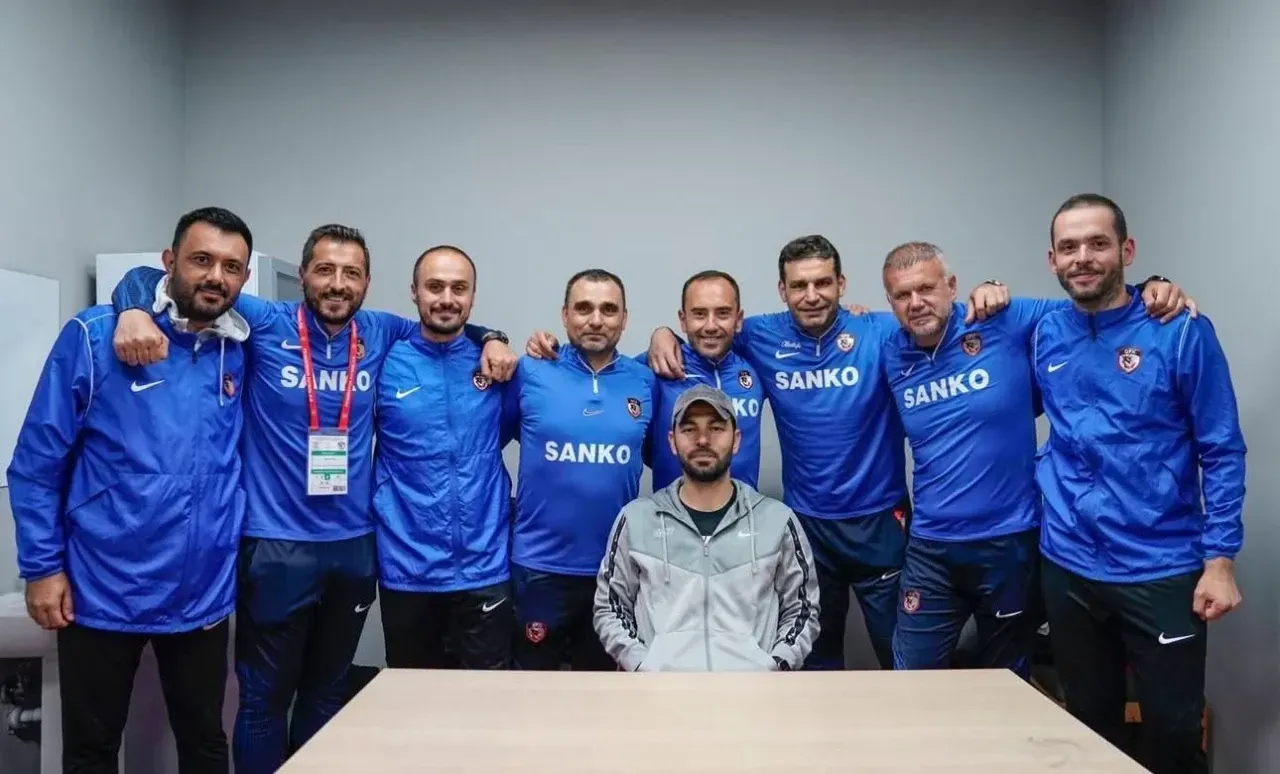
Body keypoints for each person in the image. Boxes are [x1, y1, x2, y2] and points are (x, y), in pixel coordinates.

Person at [106, 225, 516, 772]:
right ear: (302, 275)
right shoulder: (263, 321)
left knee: (327, 693)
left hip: (354, 548)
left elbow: (451, 327)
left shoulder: (382, 332)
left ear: (368, 282)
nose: (338, 284)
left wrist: (494, 337)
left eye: (351, 273)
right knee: (264, 702)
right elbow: (157, 278)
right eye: (325, 270)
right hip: (277, 545)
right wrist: (134, 309)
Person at [645, 235, 1012, 670]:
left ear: (841, 284)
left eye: (822, 282)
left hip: (880, 522)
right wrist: (661, 334)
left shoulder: (880, 331)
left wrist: (990, 289)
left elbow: (938, 318)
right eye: (799, 285)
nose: (812, 295)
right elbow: (708, 335)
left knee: (906, 663)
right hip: (808, 526)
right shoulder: (758, 336)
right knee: (813, 662)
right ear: (782, 291)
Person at [7, 207, 254, 772]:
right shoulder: (96, 336)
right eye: (201, 259)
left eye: (231, 266)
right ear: (169, 262)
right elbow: (37, 464)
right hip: (102, 590)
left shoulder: (239, 346)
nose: (216, 276)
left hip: (201, 594)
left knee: (205, 742)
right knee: (92, 751)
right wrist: (42, 568)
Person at [879, 241, 1190, 677]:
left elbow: (1096, 305)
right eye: (901, 295)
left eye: (926, 289)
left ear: (951, 285)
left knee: (1006, 680)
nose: (915, 303)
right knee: (911, 676)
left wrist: (1153, 288)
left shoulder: (1002, 319)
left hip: (1009, 541)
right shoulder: (889, 349)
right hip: (931, 544)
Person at [1033, 194, 1244, 774]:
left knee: (1173, 733)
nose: (1083, 257)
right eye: (1069, 247)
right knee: (1087, 726)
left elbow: (1222, 449)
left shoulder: (1179, 331)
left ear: (1126, 250)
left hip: (1161, 567)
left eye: (1098, 243)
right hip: (1069, 565)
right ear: (1052, 260)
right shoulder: (1044, 331)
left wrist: (1220, 561)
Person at [594, 384, 820, 671]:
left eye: (716, 428)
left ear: (736, 439)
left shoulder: (776, 520)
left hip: (751, 692)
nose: (702, 440)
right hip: (661, 693)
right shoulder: (637, 519)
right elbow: (610, 608)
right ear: (672, 441)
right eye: (689, 429)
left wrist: (774, 667)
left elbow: (803, 609)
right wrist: (642, 667)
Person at [372, 245, 517, 670]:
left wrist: (492, 337)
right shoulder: (387, 360)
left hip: (484, 566)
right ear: (414, 292)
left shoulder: (497, 367)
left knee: (488, 699)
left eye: (459, 288)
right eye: (435, 287)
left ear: (473, 295)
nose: (447, 298)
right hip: (407, 566)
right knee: (413, 698)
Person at [506, 269, 656, 670]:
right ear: (565, 315)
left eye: (609, 310)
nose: (596, 320)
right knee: (533, 693)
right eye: (584, 308)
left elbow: (659, 455)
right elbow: (487, 446)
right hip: (538, 568)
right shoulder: (530, 371)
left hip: (615, 571)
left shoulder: (644, 381)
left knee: (605, 694)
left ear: (624, 318)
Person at [526, 269, 765, 489]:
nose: (711, 326)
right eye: (699, 314)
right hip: (674, 515)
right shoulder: (653, 370)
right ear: (683, 320)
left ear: (738, 319)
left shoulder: (758, 365)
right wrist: (660, 333)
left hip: (744, 514)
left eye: (722, 313)